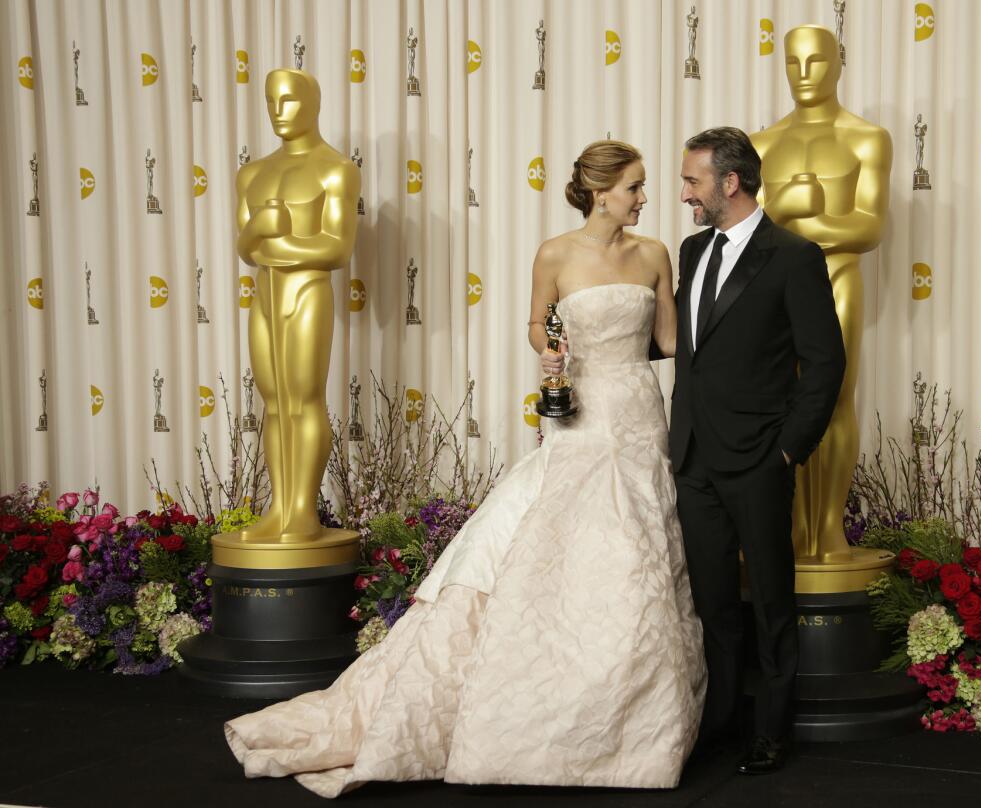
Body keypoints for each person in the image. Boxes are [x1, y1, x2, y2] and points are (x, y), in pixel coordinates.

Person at [224, 140, 705, 797]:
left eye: (644, 186)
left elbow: (673, 342)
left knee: (638, 555)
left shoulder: (653, 255)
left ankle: (634, 725)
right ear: (600, 192)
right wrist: (553, 350)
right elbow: (538, 324)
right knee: (565, 552)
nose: (644, 198)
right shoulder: (556, 254)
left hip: (639, 415)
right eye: (633, 187)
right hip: (579, 414)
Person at [671, 127, 845, 774]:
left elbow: (824, 363)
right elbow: (693, 350)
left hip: (758, 458)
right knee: (715, 603)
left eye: (692, 180)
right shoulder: (690, 251)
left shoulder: (793, 256)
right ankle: (720, 722)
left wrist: (788, 452)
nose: (683, 191)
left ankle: (772, 729)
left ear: (729, 183)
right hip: (692, 457)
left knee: (771, 601)